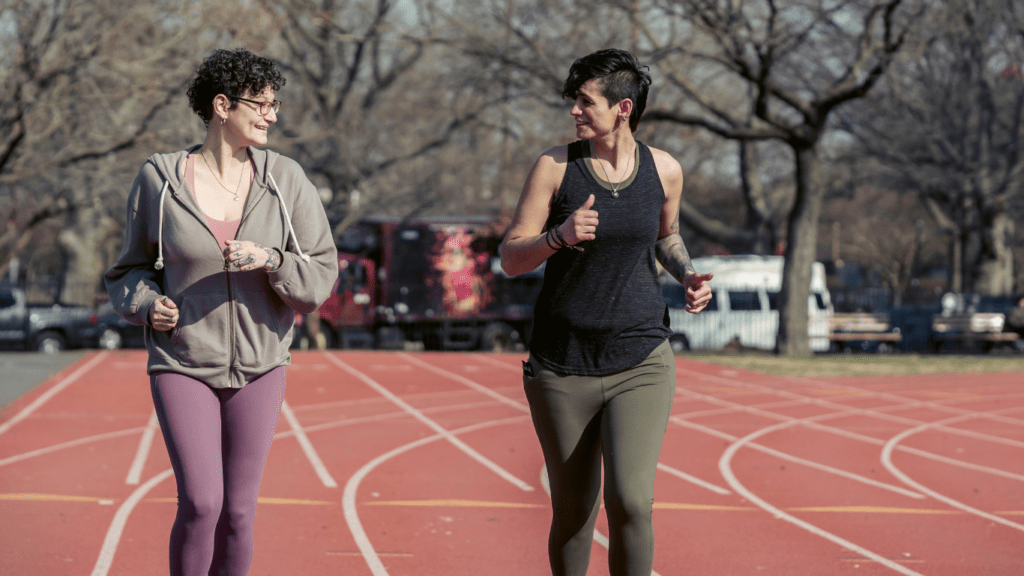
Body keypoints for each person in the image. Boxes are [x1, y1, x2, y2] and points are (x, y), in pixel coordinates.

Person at [104, 48, 338, 576]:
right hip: (182, 361)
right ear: (222, 106)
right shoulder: (160, 180)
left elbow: (320, 276)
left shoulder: (286, 180)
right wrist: (147, 304)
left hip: (262, 364)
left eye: (276, 104)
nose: (272, 115)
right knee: (203, 502)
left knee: (237, 512)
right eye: (262, 104)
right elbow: (127, 272)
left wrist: (272, 260)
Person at [500, 48, 713, 576]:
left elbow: (667, 235)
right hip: (562, 364)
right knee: (574, 511)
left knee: (633, 502)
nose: (575, 110)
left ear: (622, 107)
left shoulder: (665, 169)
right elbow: (510, 257)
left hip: (640, 357)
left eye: (585, 101)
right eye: (574, 101)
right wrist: (558, 236)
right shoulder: (555, 168)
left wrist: (686, 273)